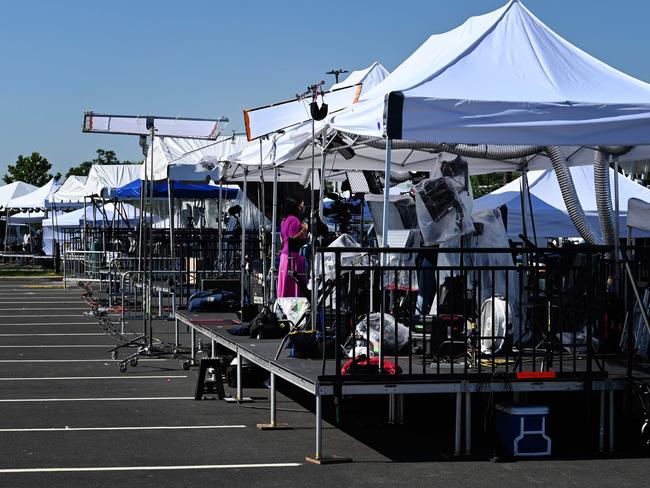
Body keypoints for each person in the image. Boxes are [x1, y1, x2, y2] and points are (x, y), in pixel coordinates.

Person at [277, 198, 307, 298]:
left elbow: (283, 239)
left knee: (284, 283)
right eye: (301, 205)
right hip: (293, 256)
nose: (302, 208)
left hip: (284, 255)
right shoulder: (294, 220)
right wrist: (304, 230)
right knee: (295, 284)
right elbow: (292, 237)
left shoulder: (283, 220)